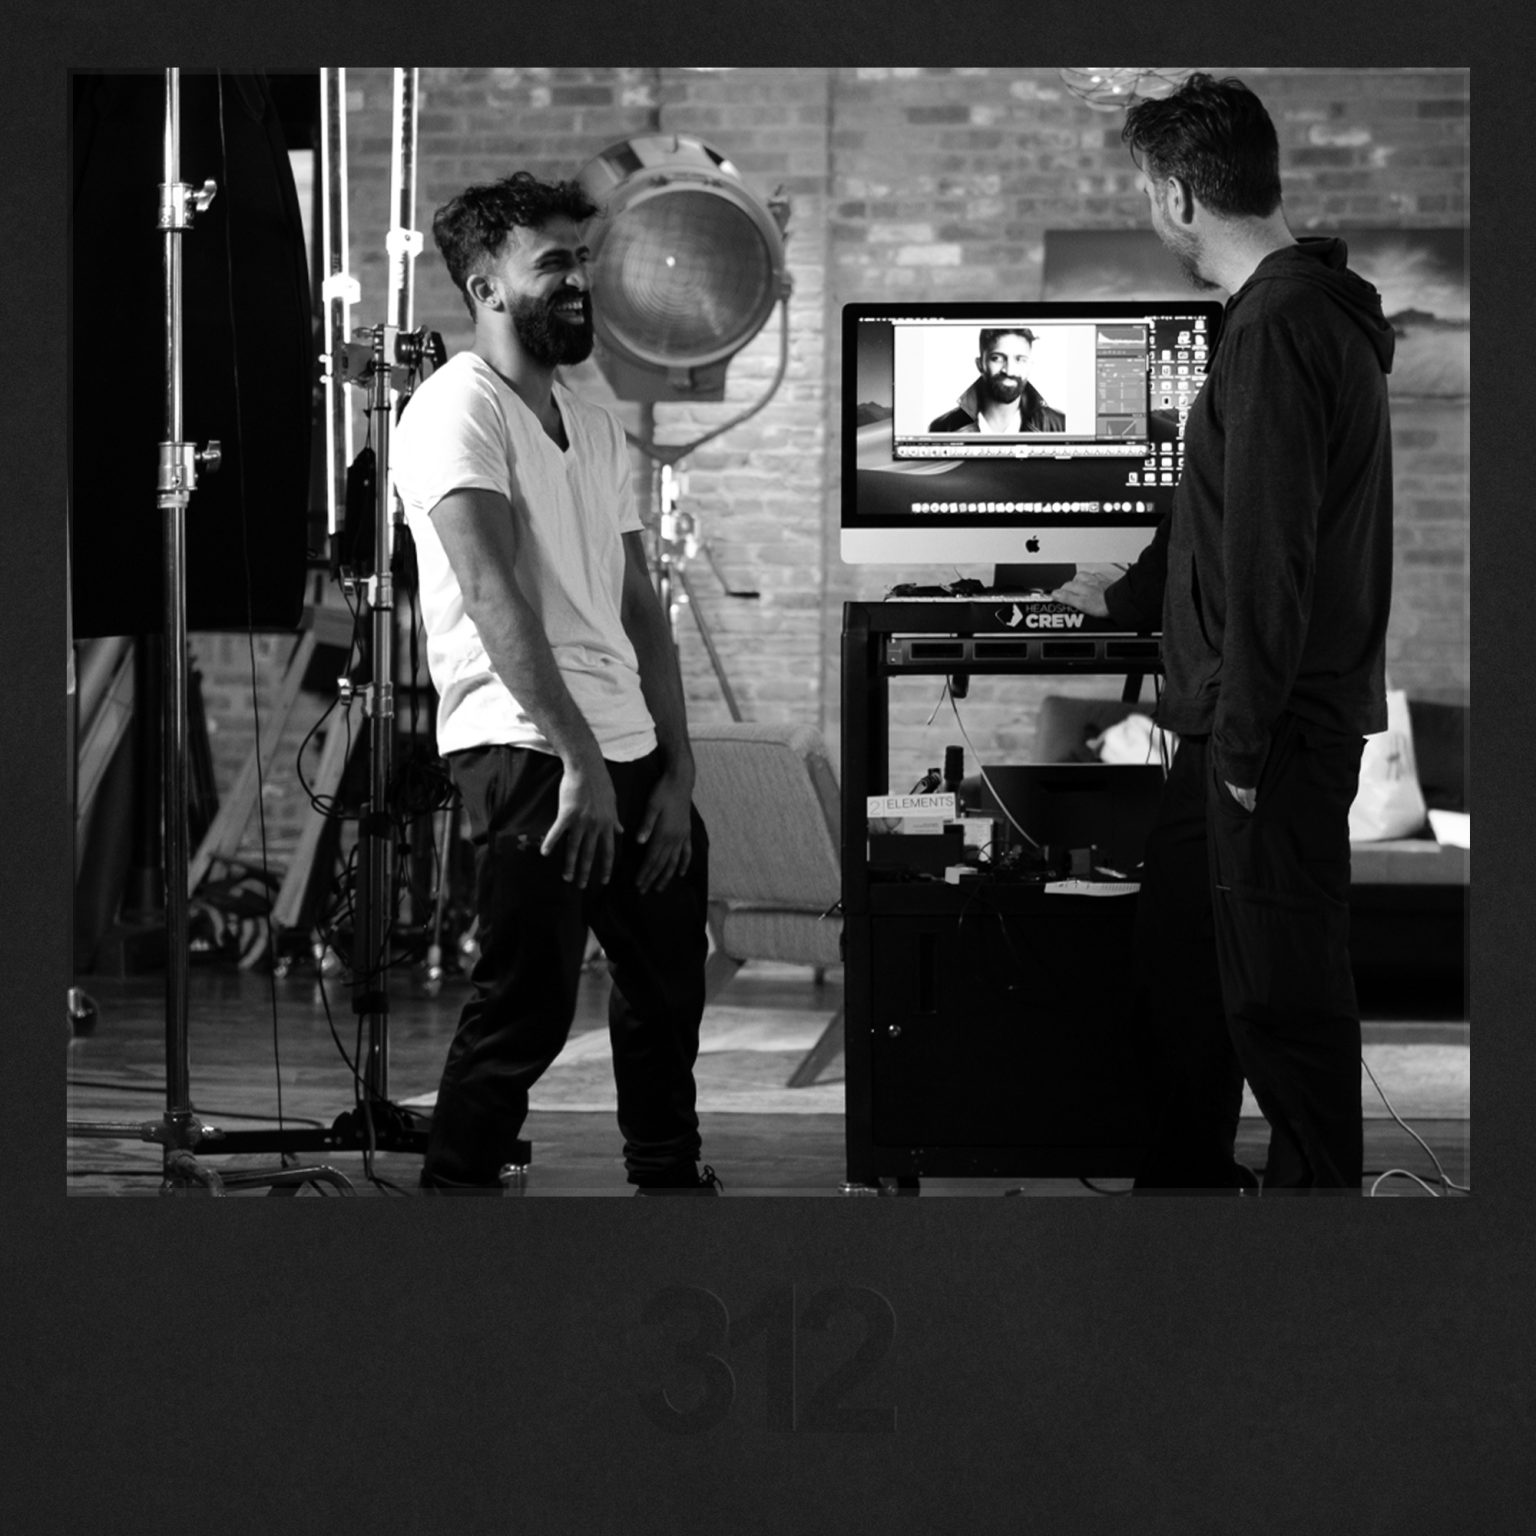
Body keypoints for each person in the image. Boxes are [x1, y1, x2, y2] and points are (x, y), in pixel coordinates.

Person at [1053, 74, 1396, 1194]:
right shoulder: (1285, 316)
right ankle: (1185, 1205)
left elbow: (1270, 558)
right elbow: (1219, 530)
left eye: (1147, 193)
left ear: (1176, 196)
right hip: (1236, 727)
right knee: (1181, 980)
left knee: (1279, 1003)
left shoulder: (1282, 325)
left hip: (1266, 733)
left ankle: (1313, 1251)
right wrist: (1103, 600)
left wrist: (1242, 748)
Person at [392, 171, 722, 1195]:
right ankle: (458, 1188)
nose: (578, 281)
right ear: (488, 288)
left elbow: (639, 607)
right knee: (527, 1002)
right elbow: (495, 600)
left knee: (666, 988)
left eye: (580, 260)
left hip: (626, 748)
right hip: (526, 745)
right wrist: (580, 761)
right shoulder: (455, 410)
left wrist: (676, 772)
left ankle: (668, 1175)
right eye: (553, 265)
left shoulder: (596, 419)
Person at [928, 327, 1066, 433]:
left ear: (1030, 366)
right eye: (997, 358)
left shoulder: (1060, 425)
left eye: (1020, 359)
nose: (1009, 370)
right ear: (980, 364)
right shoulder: (944, 427)